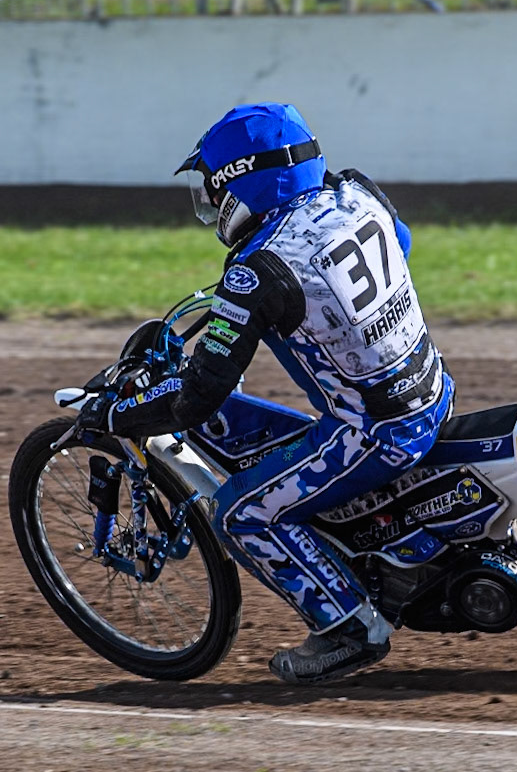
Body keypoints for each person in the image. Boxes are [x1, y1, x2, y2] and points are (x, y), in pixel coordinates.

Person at [75, 102, 454, 684]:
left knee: (242, 513)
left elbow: (198, 398)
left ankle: (350, 627)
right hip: (433, 388)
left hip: (375, 432)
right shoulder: (356, 194)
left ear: (240, 183)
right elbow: (399, 243)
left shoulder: (257, 271)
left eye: (211, 189)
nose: (210, 205)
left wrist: (120, 411)